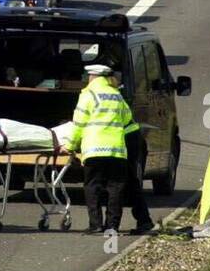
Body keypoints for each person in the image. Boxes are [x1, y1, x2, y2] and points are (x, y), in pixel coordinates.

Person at [61, 63, 131, 233]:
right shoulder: (116, 95)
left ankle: (96, 224)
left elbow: (78, 124)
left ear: (92, 77)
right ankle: (112, 226)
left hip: (94, 149)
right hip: (116, 150)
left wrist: (69, 146)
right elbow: (127, 118)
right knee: (115, 188)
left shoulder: (88, 95)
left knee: (93, 187)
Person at [120, 85, 154, 235]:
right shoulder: (113, 95)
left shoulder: (91, 97)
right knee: (129, 183)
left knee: (122, 184)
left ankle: (110, 225)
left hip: (125, 142)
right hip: (129, 140)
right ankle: (144, 221)